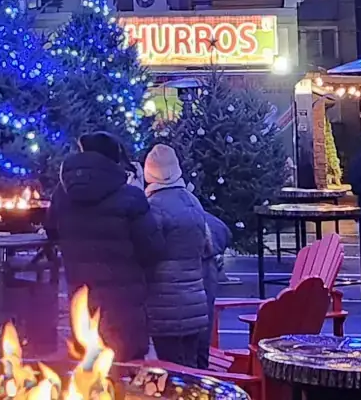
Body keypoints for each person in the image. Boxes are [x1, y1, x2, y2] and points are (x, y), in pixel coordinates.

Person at [48, 133, 153, 361]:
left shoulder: (62, 194)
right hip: (124, 306)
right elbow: (151, 247)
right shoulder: (131, 197)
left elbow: (51, 230)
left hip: (82, 300)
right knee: (128, 374)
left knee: (88, 373)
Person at [138, 145, 228, 369]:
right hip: (195, 305)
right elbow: (208, 246)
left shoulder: (151, 208)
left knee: (174, 372)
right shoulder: (192, 202)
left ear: (149, 173)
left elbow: (147, 253)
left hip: (165, 309)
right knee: (191, 370)